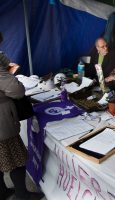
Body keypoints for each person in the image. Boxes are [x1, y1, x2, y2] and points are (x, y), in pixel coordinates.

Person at [0, 33, 43, 200]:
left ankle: (2, 192)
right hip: (2, 122)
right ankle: (22, 194)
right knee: (16, 158)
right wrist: (8, 73)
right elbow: (17, 90)